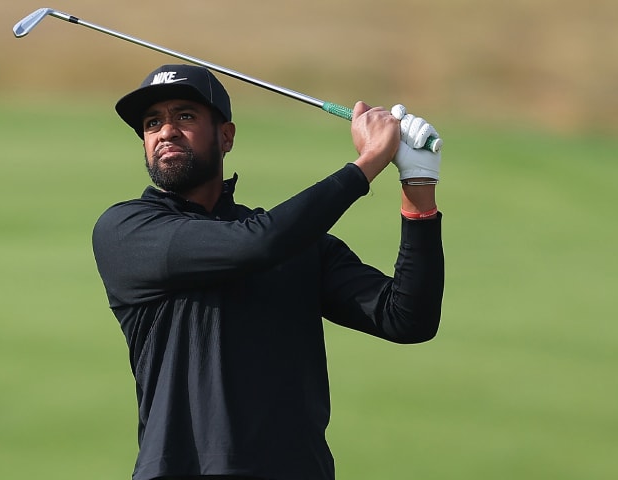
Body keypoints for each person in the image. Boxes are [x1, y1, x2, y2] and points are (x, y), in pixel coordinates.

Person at [92, 64, 445, 480]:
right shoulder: (128, 230)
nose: (166, 131)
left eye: (184, 116)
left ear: (226, 136)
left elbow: (407, 318)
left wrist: (418, 186)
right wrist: (368, 162)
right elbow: (255, 244)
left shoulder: (297, 246)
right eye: (153, 123)